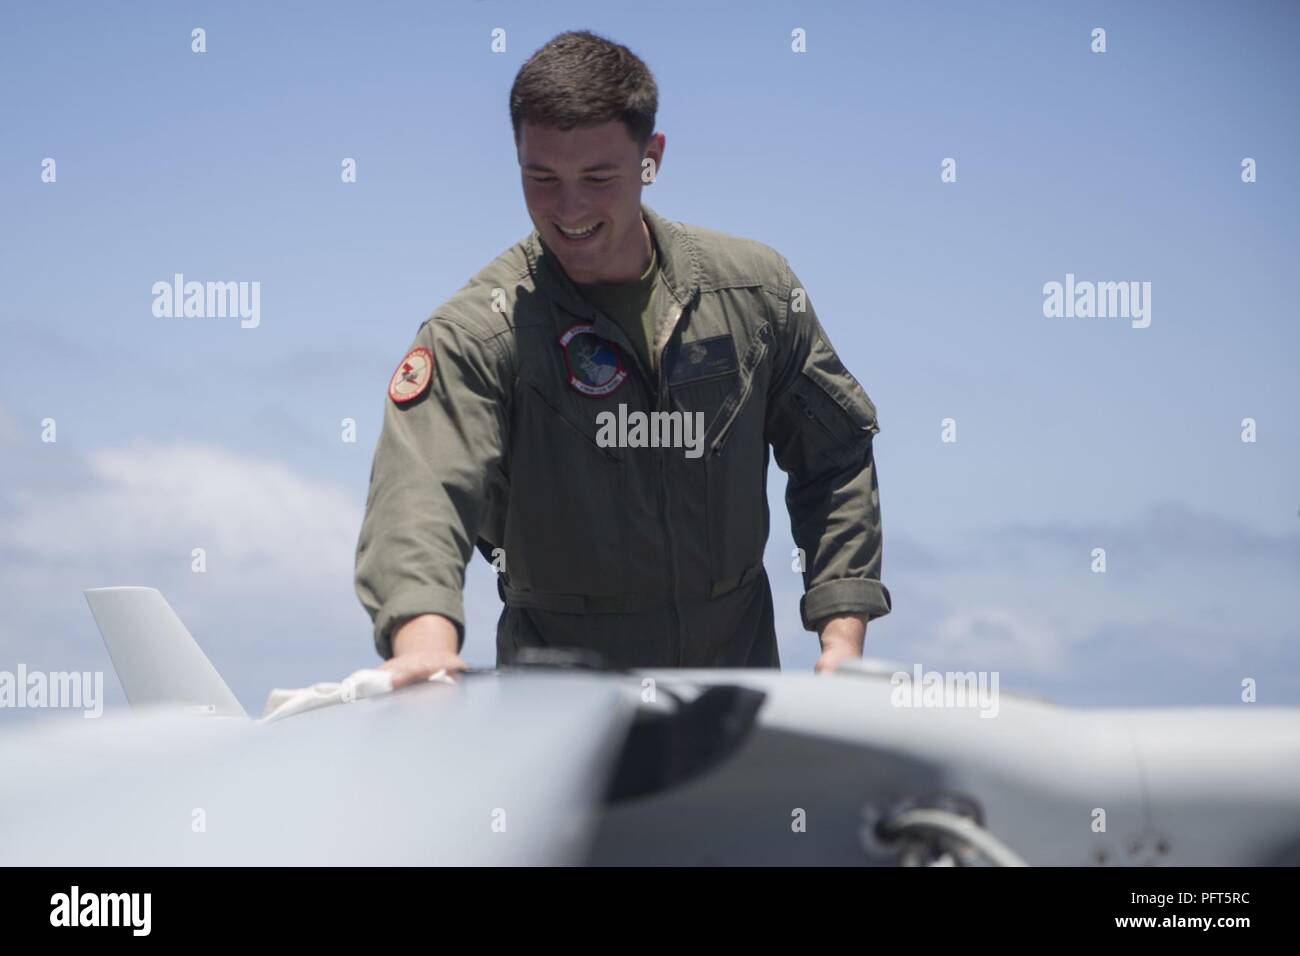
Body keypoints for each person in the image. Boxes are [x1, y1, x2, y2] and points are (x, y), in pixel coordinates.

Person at [355, 30, 890, 687]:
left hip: (733, 697)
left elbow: (832, 456)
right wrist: (424, 643)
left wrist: (842, 637)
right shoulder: (477, 333)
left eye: (598, 177)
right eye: (541, 177)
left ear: (650, 158)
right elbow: (421, 494)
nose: (569, 208)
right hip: (558, 705)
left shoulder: (756, 294)